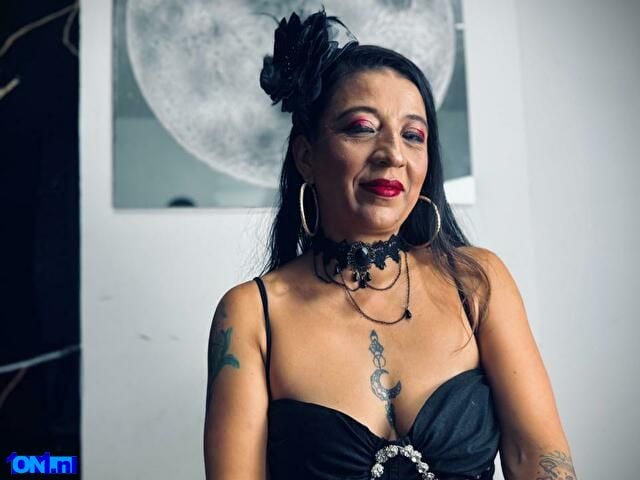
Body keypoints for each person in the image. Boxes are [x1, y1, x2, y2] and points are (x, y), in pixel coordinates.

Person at [203, 9, 577, 480]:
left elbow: (538, 455)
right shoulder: (250, 314)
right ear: (306, 155)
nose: (393, 154)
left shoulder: (477, 283)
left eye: (413, 135)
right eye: (362, 127)